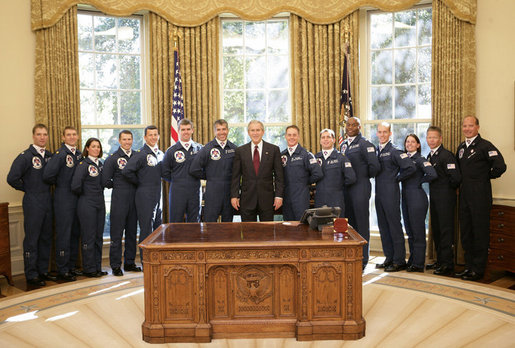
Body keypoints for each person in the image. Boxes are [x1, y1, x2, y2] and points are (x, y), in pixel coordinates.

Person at [455, 116, 506, 281]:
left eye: (471, 125)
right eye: (465, 126)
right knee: (466, 233)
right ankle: (468, 267)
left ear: (477, 127)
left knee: (479, 234)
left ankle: (478, 270)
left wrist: (485, 178)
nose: (467, 129)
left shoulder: (485, 146)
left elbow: (500, 166)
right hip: (464, 196)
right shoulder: (461, 147)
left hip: (480, 197)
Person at [7, 124, 54, 286]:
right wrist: (28, 189)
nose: (42, 137)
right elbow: (12, 178)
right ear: (33, 136)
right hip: (33, 202)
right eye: (39, 134)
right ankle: (31, 274)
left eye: (45, 134)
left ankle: (43, 271)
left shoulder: (49, 156)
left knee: (46, 237)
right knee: (32, 239)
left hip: (48, 200)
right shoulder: (25, 156)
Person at [42, 126, 83, 281]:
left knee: (74, 233)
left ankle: (71, 266)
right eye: (68, 135)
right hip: (63, 198)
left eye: (74, 134)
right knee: (64, 234)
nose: (72, 137)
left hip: (77, 198)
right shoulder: (60, 155)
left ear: (78, 137)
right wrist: (62, 184)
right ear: (63, 137)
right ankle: (62, 269)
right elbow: (47, 176)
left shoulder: (79, 155)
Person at [375, 122, 416, 272]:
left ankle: (399, 260)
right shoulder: (376, 150)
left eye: (385, 132)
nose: (382, 134)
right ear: (377, 133)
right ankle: (389, 258)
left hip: (391, 193)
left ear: (390, 133)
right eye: (379, 132)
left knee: (394, 226)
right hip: (379, 193)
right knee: (383, 226)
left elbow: (410, 167)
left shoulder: (395, 151)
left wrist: (397, 178)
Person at [341, 117, 380, 269]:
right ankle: (353, 256)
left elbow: (375, 166)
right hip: (346, 189)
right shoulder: (343, 145)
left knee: (362, 224)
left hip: (360, 188)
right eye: (348, 125)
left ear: (359, 127)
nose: (350, 127)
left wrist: (363, 177)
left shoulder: (365, 144)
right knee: (350, 225)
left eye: (353, 125)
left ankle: (363, 259)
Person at [122, 125, 163, 263]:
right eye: (150, 135)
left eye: (155, 134)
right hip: (145, 195)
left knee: (158, 228)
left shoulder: (160, 154)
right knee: (146, 229)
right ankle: (146, 261)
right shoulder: (141, 154)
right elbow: (127, 171)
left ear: (158, 136)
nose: (153, 137)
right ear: (145, 137)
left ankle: (156, 259)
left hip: (158, 195)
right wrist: (139, 182)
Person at [102, 130, 140, 276]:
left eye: (129, 139)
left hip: (134, 200)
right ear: (119, 141)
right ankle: (116, 265)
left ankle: (129, 262)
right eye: (124, 139)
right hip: (119, 200)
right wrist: (118, 186)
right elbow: (105, 180)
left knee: (131, 233)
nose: (127, 142)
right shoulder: (113, 158)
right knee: (116, 234)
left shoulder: (137, 156)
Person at [231, 120, 284, 221]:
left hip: (267, 200)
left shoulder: (274, 150)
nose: (255, 133)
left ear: (263, 132)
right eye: (252, 130)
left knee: (267, 233)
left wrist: (279, 196)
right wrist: (234, 196)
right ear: (248, 132)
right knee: (248, 233)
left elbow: (279, 177)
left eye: (258, 130)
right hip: (247, 199)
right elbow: (236, 176)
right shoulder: (240, 151)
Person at [426, 126, 461, 276]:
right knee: (438, 230)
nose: (431, 140)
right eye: (429, 137)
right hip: (434, 198)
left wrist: (448, 191)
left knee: (446, 230)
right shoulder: (430, 156)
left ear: (440, 139)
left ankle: (447, 264)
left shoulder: (446, 156)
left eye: (434, 137)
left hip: (445, 198)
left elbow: (456, 178)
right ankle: (440, 260)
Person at [71, 138, 107, 278]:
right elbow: (75, 186)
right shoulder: (83, 164)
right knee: (88, 237)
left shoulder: (100, 164)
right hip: (87, 203)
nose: (96, 149)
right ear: (87, 148)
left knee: (98, 236)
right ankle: (89, 268)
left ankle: (97, 267)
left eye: (98, 146)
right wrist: (87, 195)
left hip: (100, 203)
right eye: (93, 146)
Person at [401, 134, 437, 272]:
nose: (409, 144)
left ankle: (418, 263)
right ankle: (412, 259)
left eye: (412, 142)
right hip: (405, 197)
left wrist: (420, 181)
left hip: (417, 197)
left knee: (418, 232)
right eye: (407, 142)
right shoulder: (404, 159)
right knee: (410, 232)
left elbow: (432, 174)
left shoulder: (420, 159)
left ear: (418, 145)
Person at [190, 119, 237, 222]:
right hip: (213, 192)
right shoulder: (207, 148)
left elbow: (238, 171)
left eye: (224, 129)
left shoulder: (234, 148)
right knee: (210, 223)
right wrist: (209, 176)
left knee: (228, 224)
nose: (221, 132)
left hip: (229, 193)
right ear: (214, 132)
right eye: (218, 130)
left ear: (228, 130)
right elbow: (194, 169)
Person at [162, 119, 203, 222]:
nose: (186, 132)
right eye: (183, 129)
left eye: (188, 129)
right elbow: (164, 172)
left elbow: (206, 168)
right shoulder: (171, 151)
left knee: (194, 221)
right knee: (175, 221)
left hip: (195, 190)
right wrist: (177, 180)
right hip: (177, 191)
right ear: (179, 131)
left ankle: (192, 239)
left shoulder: (200, 149)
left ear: (192, 130)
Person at [281, 125, 323, 221]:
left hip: (301, 197)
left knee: (301, 226)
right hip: (286, 198)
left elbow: (318, 173)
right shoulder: (282, 155)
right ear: (285, 136)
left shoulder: (306, 154)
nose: (292, 137)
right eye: (289, 135)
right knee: (287, 226)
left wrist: (305, 182)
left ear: (298, 136)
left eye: (294, 135)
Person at [314, 129, 356, 217]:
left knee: (337, 227)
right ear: (320, 141)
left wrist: (338, 186)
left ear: (333, 140)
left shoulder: (341, 158)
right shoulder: (315, 158)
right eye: (323, 137)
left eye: (328, 137)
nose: (325, 139)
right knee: (320, 227)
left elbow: (351, 178)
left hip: (336, 199)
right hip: (319, 199)